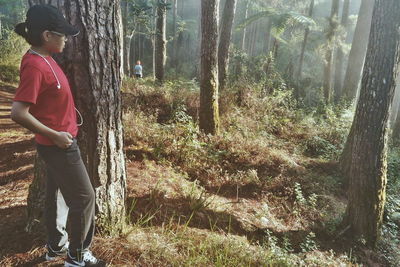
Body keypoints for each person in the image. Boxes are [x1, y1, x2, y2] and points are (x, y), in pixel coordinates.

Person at [11, 4, 106, 267]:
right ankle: (76, 258)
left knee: (59, 195)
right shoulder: (35, 66)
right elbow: (18, 112)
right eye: (62, 34)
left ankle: (57, 247)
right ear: (47, 36)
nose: (66, 38)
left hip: (56, 143)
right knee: (85, 198)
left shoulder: (45, 58)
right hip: (59, 146)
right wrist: (56, 135)